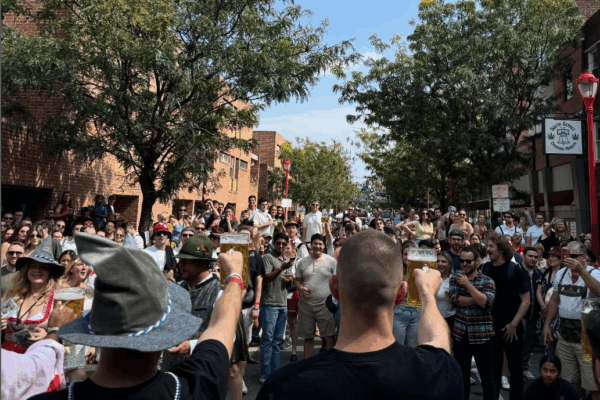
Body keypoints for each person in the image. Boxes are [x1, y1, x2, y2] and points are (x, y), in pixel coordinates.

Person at [30, 232, 245, 400]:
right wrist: (235, 276)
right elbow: (222, 328)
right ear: (163, 332)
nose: (181, 264)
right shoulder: (190, 389)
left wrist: (56, 333)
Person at [257, 229, 464, 400]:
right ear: (400, 294)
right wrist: (427, 294)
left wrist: (234, 278)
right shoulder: (434, 373)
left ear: (334, 289)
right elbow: (438, 343)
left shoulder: (283, 387)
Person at [543, 241, 600, 399]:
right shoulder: (561, 274)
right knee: (568, 382)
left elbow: (598, 291)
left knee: (594, 384)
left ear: (583, 257)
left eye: (573, 256)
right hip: (565, 335)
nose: (568, 259)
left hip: (587, 338)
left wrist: (582, 271)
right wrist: (547, 325)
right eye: (565, 255)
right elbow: (554, 301)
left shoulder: (594, 273)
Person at [483, 231, 530, 400]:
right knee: (493, 370)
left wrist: (513, 324)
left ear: (501, 248)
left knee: (515, 370)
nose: (488, 249)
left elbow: (526, 301)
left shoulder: (515, 270)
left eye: (491, 246)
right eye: (487, 246)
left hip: (512, 329)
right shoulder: (486, 268)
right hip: (491, 329)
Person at [161, 235, 220, 369]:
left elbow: (226, 337)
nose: (180, 265)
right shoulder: (177, 289)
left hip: (200, 373)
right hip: (170, 373)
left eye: (186, 261)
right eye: (180, 260)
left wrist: (192, 346)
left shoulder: (219, 293)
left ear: (203, 263)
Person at [1, 237, 65, 354]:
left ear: (50, 272)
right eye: (33, 266)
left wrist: (48, 336)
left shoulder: (57, 299)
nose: (37, 270)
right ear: (26, 270)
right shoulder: (14, 294)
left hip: (39, 359)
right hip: (8, 357)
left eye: (44, 267)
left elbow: (67, 335)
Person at [450, 245, 497, 400]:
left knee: (488, 379)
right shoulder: (454, 279)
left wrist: (468, 286)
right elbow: (456, 300)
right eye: (462, 261)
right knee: (462, 378)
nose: (464, 264)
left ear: (477, 261)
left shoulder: (487, 280)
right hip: (461, 334)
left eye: (468, 261)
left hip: (482, 335)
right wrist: (477, 298)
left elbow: (486, 303)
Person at [259, 232, 295, 384]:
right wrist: (281, 269)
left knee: (277, 341)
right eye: (278, 243)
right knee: (267, 340)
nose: (280, 246)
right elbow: (266, 279)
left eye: (283, 244)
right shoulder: (268, 257)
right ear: (273, 244)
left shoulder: (285, 259)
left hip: (282, 304)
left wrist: (289, 280)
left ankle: (275, 372)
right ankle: (264, 374)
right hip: (270, 304)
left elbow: (287, 284)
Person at [294, 234, 337, 358]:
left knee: (329, 336)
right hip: (306, 305)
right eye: (315, 243)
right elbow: (296, 279)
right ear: (310, 245)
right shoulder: (302, 262)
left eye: (320, 244)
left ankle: (328, 366)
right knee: (308, 337)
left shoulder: (331, 261)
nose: (317, 246)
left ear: (324, 246)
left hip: (324, 305)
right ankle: (308, 365)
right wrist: (300, 288)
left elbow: (337, 280)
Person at [284, 219, 309, 361]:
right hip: (284, 291)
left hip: (297, 291)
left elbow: (305, 268)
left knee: (299, 321)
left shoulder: (301, 247)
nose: (291, 230)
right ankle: (289, 347)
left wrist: (296, 278)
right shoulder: (280, 247)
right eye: (289, 227)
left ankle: (300, 350)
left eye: (293, 227)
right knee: (288, 321)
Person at [520, 247, 543, 380]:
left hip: (534, 315)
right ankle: (514, 369)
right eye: (530, 256)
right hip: (520, 315)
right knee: (517, 344)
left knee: (529, 344)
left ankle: (524, 368)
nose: (533, 259)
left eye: (535, 257)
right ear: (523, 256)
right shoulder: (517, 271)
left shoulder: (539, 273)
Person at [393, 241, 420, 347]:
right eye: (405, 254)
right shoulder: (396, 271)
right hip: (399, 312)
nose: (408, 257)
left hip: (416, 313)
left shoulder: (421, 270)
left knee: (412, 349)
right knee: (398, 349)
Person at [436, 252, 456, 329]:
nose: (440, 264)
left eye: (444, 261)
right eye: (438, 261)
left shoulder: (453, 279)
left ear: (449, 265)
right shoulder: (430, 278)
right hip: (433, 317)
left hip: (449, 318)